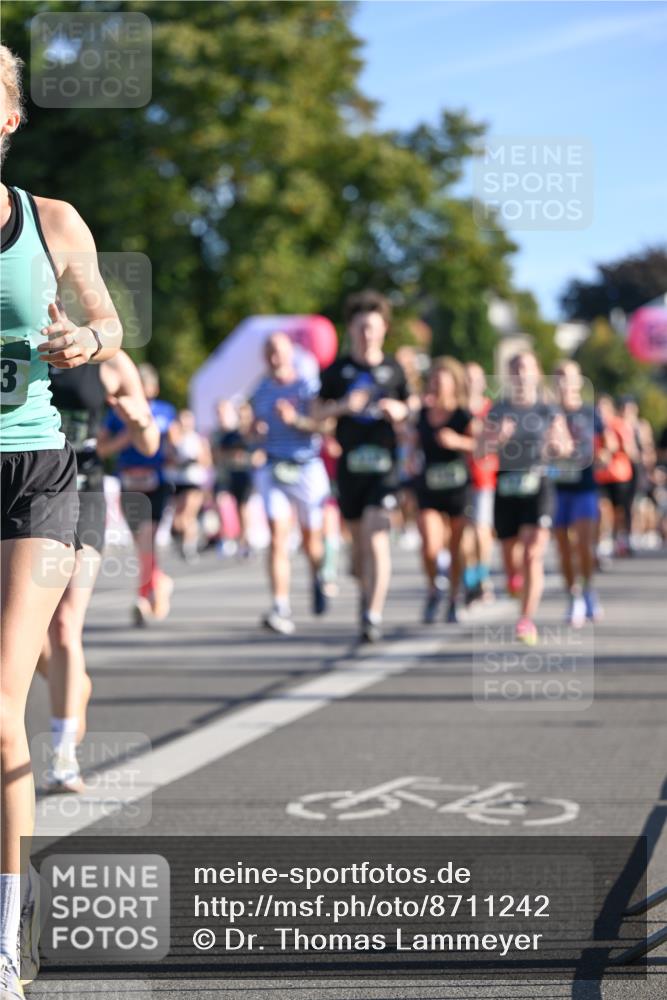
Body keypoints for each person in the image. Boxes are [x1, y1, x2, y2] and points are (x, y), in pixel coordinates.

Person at [0, 43, 121, 999]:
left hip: (37, 473)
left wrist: (87, 337)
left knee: (1, 699)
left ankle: (6, 934)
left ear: (8, 120)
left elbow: (108, 327)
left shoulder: (55, 221)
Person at [36, 353, 158, 793]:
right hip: (23, 494)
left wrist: (138, 421)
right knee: (26, 636)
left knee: (66, 623)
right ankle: (75, 684)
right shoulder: (13, 339)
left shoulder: (107, 358)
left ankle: (63, 755)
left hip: (82, 495)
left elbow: (149, 442)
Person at [314, 290, 411, 643]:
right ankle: (365, 595)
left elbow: (411, 408)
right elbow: (315, 414)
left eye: (373, 327)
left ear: (384, 329)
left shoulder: (394, 369)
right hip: (351, 469)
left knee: (378, 538)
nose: (367, 334)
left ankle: (373, 613)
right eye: (361, 328)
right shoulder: (338, 370)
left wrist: (400, 411)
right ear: (351, 330)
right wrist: (342, 406)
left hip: (384, 468)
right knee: (359, 551)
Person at [485, 350, 571, 645]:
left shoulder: (548, 410)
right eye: (516, 369)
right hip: (507, 487)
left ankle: (526, 620)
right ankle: (513, 580)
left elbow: (566, 445)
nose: (521, 375)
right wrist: (497, 439)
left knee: (533, 554)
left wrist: (557, 446)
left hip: (538, 485)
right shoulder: (497, 410)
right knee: (512, 558)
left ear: (536, 373)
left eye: (527, 368)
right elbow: (481, 449)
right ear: (509, 375)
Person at [251, 332, 332, 635]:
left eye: (280, 351)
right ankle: (280, 606)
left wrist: (295, 420)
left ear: (290, 354)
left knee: (312, 541)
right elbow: (252, 432)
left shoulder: (307, 386)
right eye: (270, 351)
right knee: (277, 537)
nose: (275, 357)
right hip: (274, 466)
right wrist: (253, 431)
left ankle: (318, 577)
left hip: (306, 466)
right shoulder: (260, 390)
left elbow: (322, 425)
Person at [98, 364, 176, 625]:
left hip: (157, 484)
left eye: (146, 386)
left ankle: (142, 597)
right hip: (129, 483)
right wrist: (126, 436)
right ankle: (159, 582)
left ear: (154, 388)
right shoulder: (115, 414)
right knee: (141, 545)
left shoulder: (165, 411)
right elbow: (102, 449)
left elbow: (174, 446)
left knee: (147, 541)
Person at [414, 357, 474, 624]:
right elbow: (411, 442)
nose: (436, 384)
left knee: (457, 547)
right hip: (429, 488)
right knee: (430, 544)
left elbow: (480, 445)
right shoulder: (422, 415)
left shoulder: (462, 414)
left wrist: (457, 441)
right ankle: (433, 588)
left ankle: (454, 597)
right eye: (433, 379)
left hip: (458, 488)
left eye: (442, 380)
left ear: (453, 384)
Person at [551, 361, 603, 626]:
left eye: (568, 377)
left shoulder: (590, 413)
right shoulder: (546, 413)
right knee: (563, 548)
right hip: (556, 489)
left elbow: (604, 445)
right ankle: (573, 596)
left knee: (583, 545)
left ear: (579, 383)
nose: (563, 383)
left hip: (584, 487)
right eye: (558, 377)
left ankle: (588, 590)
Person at [464, 361, 498, 604]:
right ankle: (469, 580)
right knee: (463, 535)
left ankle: (483, 577)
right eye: (466, 377)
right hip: (458, 479)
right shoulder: (453, 408)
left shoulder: (491, 410)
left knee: (480, 530)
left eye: (475, 378)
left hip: (483, 476)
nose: (470, 382)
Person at [211, 400, 260, 557]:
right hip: (229, 474)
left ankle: (244, 541)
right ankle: (226, 537)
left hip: (245, 475)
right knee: (221, 501)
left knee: (243, 508)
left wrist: (249, 458)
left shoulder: (255, 432)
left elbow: (258, 454)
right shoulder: (230, 434)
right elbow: (219, 455)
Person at [166, 409, 212, 562]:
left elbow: (207, 461)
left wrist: (193, 460)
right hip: (178, 481)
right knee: (178, 519)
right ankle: (185, 540)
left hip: (194, 481)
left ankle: (189, 547)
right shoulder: (175, 439)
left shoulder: (198, 439)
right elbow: (168, 459)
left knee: (188, 515)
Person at [594, 394, 634, 561]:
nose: (601, 412)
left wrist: (614, 447)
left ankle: (619, 538)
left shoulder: (618, 425)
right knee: (602, 508)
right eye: (599, 409)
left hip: (619, 475)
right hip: (600, 476)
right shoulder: (594, 427)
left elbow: (630, 450)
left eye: (604, 408)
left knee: (619, 512)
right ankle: (603, 542)